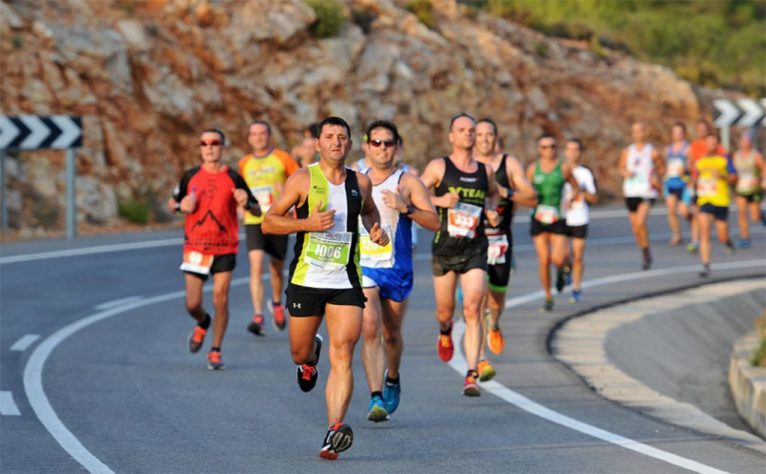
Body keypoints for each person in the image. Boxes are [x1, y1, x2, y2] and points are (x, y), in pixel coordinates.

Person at [262, 116, 388, 460]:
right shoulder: (303, 179)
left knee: (344, 350)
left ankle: (334, 428)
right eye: (329, 137)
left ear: (349, 144)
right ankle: (309, 360)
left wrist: (376, 230)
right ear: (318, 143)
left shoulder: (360, 183)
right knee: (299, 353)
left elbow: (370, 213)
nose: (336, 142)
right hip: (307, 279)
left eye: (342, 137)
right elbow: (270, 221)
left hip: (345, 280)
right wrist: (306, 223)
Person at [357, 120, 439, 422]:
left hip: (397, 268)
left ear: (397, 147)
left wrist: (407, 208)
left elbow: (434, 223)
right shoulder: (357, 180)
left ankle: (393, 377)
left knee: (391, 334)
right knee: (370, 328)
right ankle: (375, 396)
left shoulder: (408, 182)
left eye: (387, 143)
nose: (382, 148)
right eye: (376, 142)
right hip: (365, 267)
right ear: (366, 146)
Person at [419, 112, 500, 397]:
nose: (469, 134)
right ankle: (444, 331)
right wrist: (439, 200)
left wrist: (490, 209)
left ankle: (471, 372)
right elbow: (412, 193)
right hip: (444, 247)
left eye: (472, 130)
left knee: (473, 307)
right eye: (462, 130)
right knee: (445, 312)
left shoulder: (484, 171)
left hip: (475, 248)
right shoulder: (439, 166)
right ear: (451, 136)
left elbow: (493, 193)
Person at [168, 129, 261, 370]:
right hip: (196, 245)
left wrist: (246, 202)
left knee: (221, 299)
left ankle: (215, 350)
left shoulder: (233, 177)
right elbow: (172, 203)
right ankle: (202, 321)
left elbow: (257, 209)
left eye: (214, 143)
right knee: (192, 303)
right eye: (204, 143)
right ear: (200, 148)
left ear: (223, 148)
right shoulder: (190, 176)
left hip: (224, 246)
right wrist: (180, 205)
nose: (209, 147)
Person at [473, 118, 536, 381]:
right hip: (473, 240)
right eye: (480, 134)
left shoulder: (508, 163)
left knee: (496, 300)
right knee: (475, 299)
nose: (485, 139)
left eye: (490, 135)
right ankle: (479, 359)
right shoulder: (465, 165)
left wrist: (504, 191)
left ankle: (495, 324)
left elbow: (531, 197)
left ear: (496, 138)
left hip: (500, 240)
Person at [238, 121, 300, 335]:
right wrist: (240, 204)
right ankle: (258, 315)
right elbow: (239, 190)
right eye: (254, 134)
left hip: (278, 218)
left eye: (262, 133)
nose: (258, 137)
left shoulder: (282, 158)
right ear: (249, 138)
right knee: (256, 265)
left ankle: (275, 302)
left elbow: (299, 180)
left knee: (276, 266)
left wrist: (290, 199)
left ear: (269, 135)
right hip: (254, 220)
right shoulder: (244, 163)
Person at [526, 134, 580, 312]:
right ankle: (548, 297)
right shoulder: (533, 169)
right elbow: (525, 190)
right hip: (539, 217)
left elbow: (575, 185)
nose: (549, 150)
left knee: (558, 258)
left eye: (552, 146)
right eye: (545, 147)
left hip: (557, 217)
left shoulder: (563, 167)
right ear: (539, 150)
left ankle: (563, 269)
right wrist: (529, 199)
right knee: (543, 260)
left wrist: (571, 199)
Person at [619, 122, 664, 270]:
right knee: (635, 229)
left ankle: (646, 254)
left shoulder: (652, 151)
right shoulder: (627, 151)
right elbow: (621, 167)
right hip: (631, 190)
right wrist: (625, 173)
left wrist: (656, 177)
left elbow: (661, 167)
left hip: (647, 191)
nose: (638, 133)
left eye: (641, 130)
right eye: (635, 131)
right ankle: (645, 250)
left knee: (640, 222)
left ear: (645, 132)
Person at [693, 133, 737, 277]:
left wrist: (722, 176)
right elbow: (693, 179)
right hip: (705, 200)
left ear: (717, 144)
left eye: (714, 142)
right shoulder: (700, 161)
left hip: (720, 200)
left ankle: (728, 242)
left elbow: (734, 177)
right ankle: (706, 265)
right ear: (705, 143)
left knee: (721, 235)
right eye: (708, 142)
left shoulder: (724, 160)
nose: (711, 144)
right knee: (704, 232)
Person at [562, 138, 598, 303]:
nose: (572, 153)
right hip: (561, 217)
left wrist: (581, 191)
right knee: (562, 255)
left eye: (576, 149)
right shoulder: (559, 170)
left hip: (579, 217)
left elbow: (594, 197)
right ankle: (566, 269)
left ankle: (576, 287)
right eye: (569, 149)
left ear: (580, 152)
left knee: (577, 256)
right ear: (565, 151)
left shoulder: (585, 173)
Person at [686, 119, 724, 254]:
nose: (702, 131)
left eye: (704, 128)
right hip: (699, 183)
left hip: (715, 187)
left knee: (705, 216)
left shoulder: (716, 146)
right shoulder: (694, 145)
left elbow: (724, 163)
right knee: (695, 212)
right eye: (699, 129)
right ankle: (695, 240)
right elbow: (690, 163)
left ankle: (713, 237)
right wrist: (690, 177)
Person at [732, 130, 765, 248]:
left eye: (748, 141)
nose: (746, 143)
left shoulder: (756, 155)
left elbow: (764, 170)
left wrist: (760, 180)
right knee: (741, 213)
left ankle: (762, 215)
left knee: (755, 217)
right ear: (740, 142)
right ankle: (745, 237)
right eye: (744, 141)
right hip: (741, 189)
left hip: (754, 189)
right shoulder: (736, 155)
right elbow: (733, 171)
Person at [663, 122, 692, 246]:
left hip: (684, 183)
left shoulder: (688, 148)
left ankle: (694, 222)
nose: (677, 135)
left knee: (684, 211)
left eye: (680, 132)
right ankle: (676, 234)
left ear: (684, 133)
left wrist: (685, 169)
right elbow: (663, 166)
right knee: (671, 210)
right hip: (670, 183)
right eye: (675, 132)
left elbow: (693, 165)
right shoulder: (668, 149)